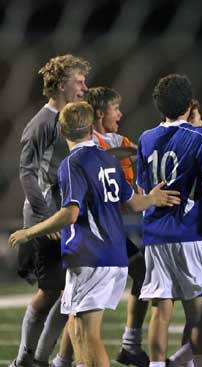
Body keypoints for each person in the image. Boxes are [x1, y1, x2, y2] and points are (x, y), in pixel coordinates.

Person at [9, 101, 181, 367]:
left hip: (91, 256)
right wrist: (152, 198)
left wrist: (30, 232)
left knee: (88, 336)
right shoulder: (107, 159)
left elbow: (70, 214)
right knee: (77, 330)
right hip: (110, 255)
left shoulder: (72, 164)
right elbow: (131, 203)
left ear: (62, 131)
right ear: (90, 127)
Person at [136, 74, 202, 367]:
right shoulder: (201, 136)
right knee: (198, 313)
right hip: (188, 234)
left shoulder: (146, 138)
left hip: (155, 235)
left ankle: (157, 364)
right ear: (189, 104)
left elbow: (141, 190)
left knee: (160, 312)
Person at [13, 54, 90, 367]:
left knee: (70, 292)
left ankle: (42, 359)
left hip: (67, 214)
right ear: (62, 85)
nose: (84, 87)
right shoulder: (42, 123)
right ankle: (24, 359)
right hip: (48, 218)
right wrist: (45, 217)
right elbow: (27, 173)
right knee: (52, 289)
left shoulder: (70, 119)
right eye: (79, 81)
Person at [85, 86, 150, 366]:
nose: (120, 113)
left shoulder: (120, 139)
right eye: (115, 108)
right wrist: (131, 151)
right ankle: (62, 359)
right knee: (83, 305)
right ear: (100, 113)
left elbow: (125, 194)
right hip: (89, 228)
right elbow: (98, 159)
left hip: (112, 227)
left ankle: (130, 344)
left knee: (143, 272)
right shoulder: (87, 138)